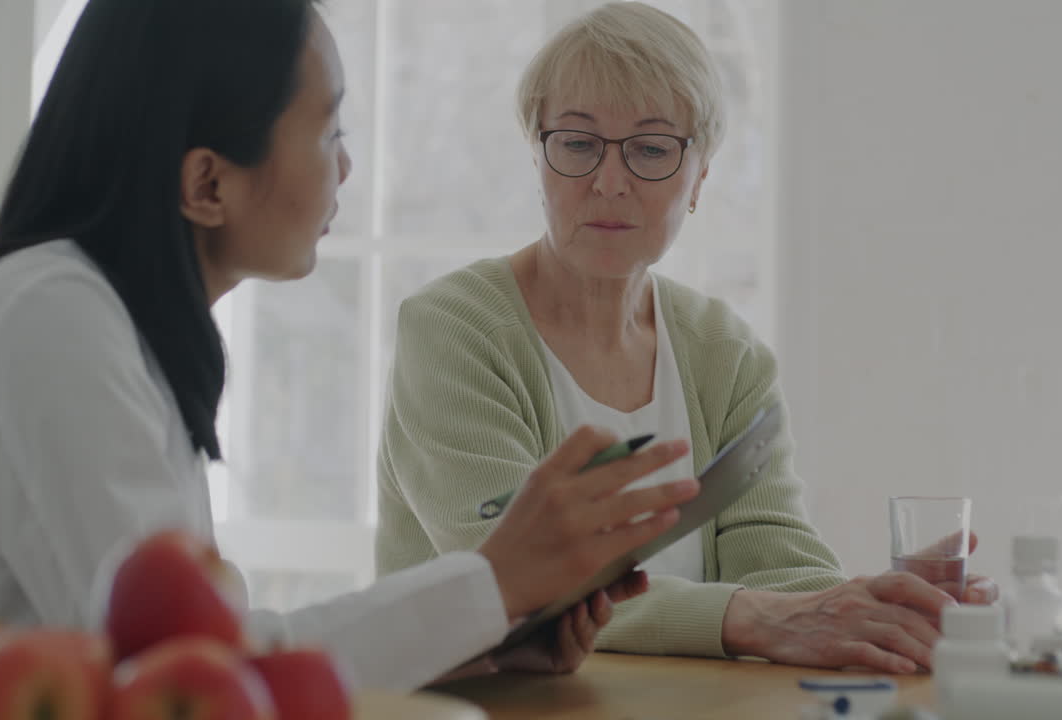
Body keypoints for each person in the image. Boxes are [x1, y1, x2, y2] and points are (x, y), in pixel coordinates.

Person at [0, 0, 703, 691]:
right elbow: (184, 676)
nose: (346, 167)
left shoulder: (107, 326)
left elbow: (223, 652)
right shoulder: (50, 321)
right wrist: (493, 582)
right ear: (207, 183)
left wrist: (488, 638)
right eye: (329, 128)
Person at [376, 1, 997, 674]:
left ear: (699, 176)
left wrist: (889, 608)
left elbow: (782, 572)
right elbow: (520, 586)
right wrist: (755, 617)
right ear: (538, 157)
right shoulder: (454, 329)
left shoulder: (726, 355)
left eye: (650, 149)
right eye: (579, 144)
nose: (610, 183)